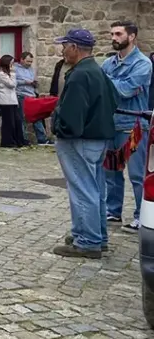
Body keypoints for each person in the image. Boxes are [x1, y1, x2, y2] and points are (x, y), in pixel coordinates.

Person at [51, 29, 117, 258]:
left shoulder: (80, 74)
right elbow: (113, 99)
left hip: (80, 139)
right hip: (98, 138)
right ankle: (95, 235)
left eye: (65, 45)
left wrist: (60, 128)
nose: (62, 50)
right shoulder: (96, 71)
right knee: (95, 188)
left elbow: (72, 113)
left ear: (75, 48)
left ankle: (88, 241)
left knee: (82, 189)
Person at [102, 21, 152, 232]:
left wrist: (106, 82)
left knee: (137, 176)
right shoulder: (108, 64)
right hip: (111, 125)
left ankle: (142, 216)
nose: (114, 37)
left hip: (133, 127)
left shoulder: (143, 64)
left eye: (118, 34)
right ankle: (114, 211)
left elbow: (125, 90)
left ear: (131, 37)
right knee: (111, 171)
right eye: (112, 33)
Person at [15, 52, 51, 146]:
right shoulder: (15, 69)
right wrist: (25, 82)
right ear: (22, 59)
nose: (29, 63)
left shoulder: (31, 69)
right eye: (27, 61)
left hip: (32, 95)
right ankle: (23, 140)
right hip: (21, 95)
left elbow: (34, 80)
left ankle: (42, 139)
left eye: (31, 62)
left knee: (37, 117)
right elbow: (13, 82)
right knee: (22, 118)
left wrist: (35, 83)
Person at [0, 55, 27, 148]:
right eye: (11, 63)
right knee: (9, 122)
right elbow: (12, 84)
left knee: (17, 120)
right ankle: (8, 142)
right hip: (6, 100)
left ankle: (18, 140)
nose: (13, 65)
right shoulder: (1, 74)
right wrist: (13, 73)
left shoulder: (6, 73)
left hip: (12, 100)